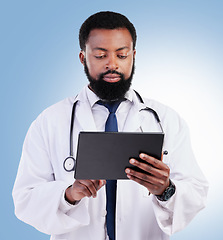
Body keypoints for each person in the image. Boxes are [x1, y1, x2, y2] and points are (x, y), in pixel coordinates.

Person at [13, 11, 208, 240]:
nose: (112, 64)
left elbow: (197, 193)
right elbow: (24, 199)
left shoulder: (165, 119)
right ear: (83, 57)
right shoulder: (50, 122)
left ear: (133, 56)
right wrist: (68, 195)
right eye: (100, 55)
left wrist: (166, 189)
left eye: (122, 55)